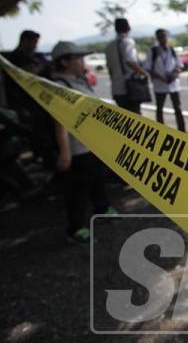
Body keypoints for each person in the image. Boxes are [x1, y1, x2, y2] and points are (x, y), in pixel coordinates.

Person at [51, 41, 116, 244]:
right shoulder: (60, 87)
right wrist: (65, 152)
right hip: (77, 147)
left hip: (92, 143)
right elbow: (60, 121)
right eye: (77, 58)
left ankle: (102, 208)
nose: (82, 62)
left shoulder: (80, 81)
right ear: (64, 62)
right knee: (78, 188)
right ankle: (76, 228)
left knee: (97, 178)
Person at [4, 29, 55, 168]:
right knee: (39, 134)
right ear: (25, 41)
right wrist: (41, 66)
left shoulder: (34, 56)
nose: (36, 46)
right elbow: (25, 76)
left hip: (43, 101)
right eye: (34, 42)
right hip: (28, 103)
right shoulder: (15, 58)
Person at [144, 29, 186, 131]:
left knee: (178, 108)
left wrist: (174, 74)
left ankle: (182, 130)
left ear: (167, 37)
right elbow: (148, 68)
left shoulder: (172, 50)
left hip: (173, 84)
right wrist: (161, 77)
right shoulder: (153, 51)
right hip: (160, 84)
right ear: (157, 38)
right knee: (159, 108)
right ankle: (161, 130)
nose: (163, 38)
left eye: (165, 36)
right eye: (161, 36)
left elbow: (179, 66)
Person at [105, 18, 149, 114]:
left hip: (116, 89)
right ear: (128, 28)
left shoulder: (109, 46)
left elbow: (110, 68)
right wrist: (145, 73)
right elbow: (130, 61)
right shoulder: (128, 42)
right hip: (129, 88)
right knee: (136, 117)